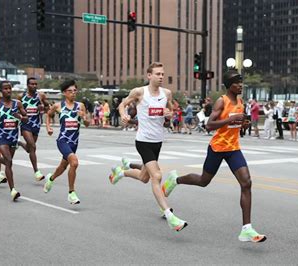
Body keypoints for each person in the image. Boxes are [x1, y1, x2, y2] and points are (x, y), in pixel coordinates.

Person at [162, 70, 266, 242]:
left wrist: (244, 124)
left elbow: (238, 127)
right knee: (203, 181)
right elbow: (209, 125)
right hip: (217, 148)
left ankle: (247, 229)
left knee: (246, 183)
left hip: (233, 148)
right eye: (236, 82)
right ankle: (175, 180)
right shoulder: (221, 101)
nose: (240, 85)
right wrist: (229, 121)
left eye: (241, 82)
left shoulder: (240, 102)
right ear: (228, 85)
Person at [108, 62, 187, 232]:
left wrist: (169, 114)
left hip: (157, 141)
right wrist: (123, 115)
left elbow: (171, 111)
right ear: (149, 75)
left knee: (144, 177)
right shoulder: (139, 92)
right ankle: (169, 215)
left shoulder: (167, 93)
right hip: (143, 141)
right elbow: (122, 104)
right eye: (157, 74)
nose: (161, 77)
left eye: (162, 74)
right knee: (156, 176)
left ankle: (121, 172)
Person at [43, 80, 90, 204]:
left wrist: (83, 117)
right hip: (62, 140)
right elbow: (48, 115)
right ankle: (71, 193)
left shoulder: (80, 106)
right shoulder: (58, 106)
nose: (73, 93)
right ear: (64, 93)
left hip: (74, 142)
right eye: (70, 91)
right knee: (74, 163)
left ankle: (51, 179)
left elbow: (87, 124)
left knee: (63, 167)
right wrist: (48, 127)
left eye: (75, 91)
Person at [0, 81, 28, 201]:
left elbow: (26, 119)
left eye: (9, 88)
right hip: (1, 136)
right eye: (5, 89)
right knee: (9, 161)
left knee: (8, 161)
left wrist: (20, 117)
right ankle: (13, 190)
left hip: (13, 137)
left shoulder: (18, 104)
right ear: (1, 90)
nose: (8, 90)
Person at [17, 77, 48, 182]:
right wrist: (21, 117)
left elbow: (48, 108)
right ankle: (37, 172)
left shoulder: (41, 96)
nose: (34, 86)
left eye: (36, 84)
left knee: (29, 149)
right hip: (26, 125)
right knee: (33, 147)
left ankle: (20, 143)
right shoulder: (21, 96)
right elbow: (15, 110)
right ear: (27, 85)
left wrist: (43, 107)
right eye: (32, 84)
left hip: (36, 125)